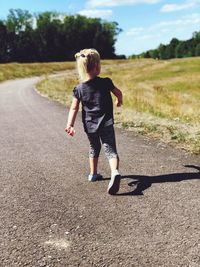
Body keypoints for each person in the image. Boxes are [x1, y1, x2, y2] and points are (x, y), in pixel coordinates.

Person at [65, 48, 123, 195]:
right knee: (110, 149)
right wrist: (118, 101)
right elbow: (118, 92)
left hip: (90, 125)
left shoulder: (79, 89)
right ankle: (114, 171)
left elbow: (74, 108)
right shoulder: (106, 82)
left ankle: (93, 174)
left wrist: (70, 124)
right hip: (106, 122)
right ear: (97, 66)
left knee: (94, 147)